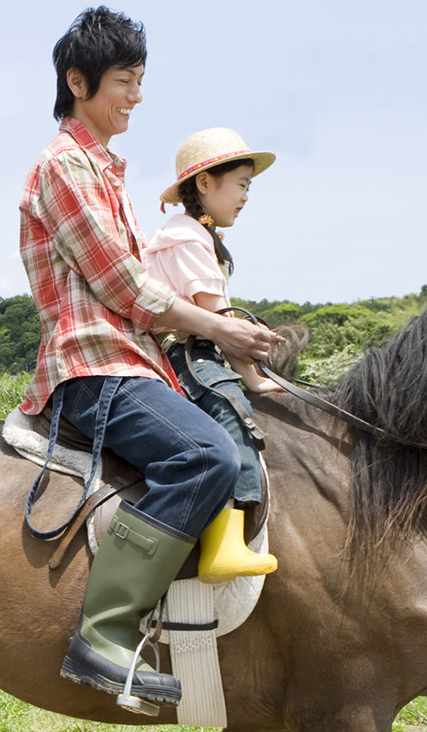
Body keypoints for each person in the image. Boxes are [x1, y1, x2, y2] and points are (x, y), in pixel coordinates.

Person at [17, 7, 280, 713]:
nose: (136, 96)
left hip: (136, 361)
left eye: (140, 81)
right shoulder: (63, 167)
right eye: (124, 82)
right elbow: (129, 289)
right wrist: (220, 334)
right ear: (78, 81)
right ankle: (102, 635)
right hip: (94, 366)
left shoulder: (106, 172)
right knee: (204, 456)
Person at [143, 127, 283, 578]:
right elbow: (218, 321)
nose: (246, 196)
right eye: (241, 184)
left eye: (248, 187)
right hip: (183, 351)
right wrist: (254, 376)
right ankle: (225, 540)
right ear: (205, 184)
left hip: (196, 345)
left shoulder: (196, 236)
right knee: (227, 408)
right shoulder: (185, 236)